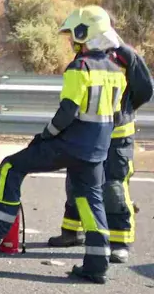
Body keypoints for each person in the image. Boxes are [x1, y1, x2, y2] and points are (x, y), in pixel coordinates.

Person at [0, 6, 128, 284]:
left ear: (83, 33)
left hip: (70, 142)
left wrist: (46, 135)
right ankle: (97, 264)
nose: (71, 41)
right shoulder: (116, 69)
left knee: (11, 166)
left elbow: (68, 111)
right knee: (91, 201)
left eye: (73, 35)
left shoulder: (80, 67)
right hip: (97, 147)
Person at [49, 28, 153, 263]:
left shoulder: (125, 56)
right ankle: (71, 232)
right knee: (77, 181)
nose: (73, 41)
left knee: (113, 187)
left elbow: (145, 91)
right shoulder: (85, 57)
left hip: (117, 135)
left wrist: (124, 111)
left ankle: (119, 242)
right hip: (88, 133)